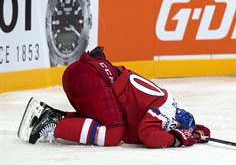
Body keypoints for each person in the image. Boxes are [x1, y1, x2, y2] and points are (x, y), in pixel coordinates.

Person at [18, 46, 210, 148]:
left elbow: (191, 128)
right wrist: (176, 140)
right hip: (90, 79)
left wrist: (195, 132)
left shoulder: (167, 104)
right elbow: (148, 135)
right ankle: (55, 123)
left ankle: (53, 116)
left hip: (84, 75)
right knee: (113, 134)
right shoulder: (164, 112)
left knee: (103, 123)